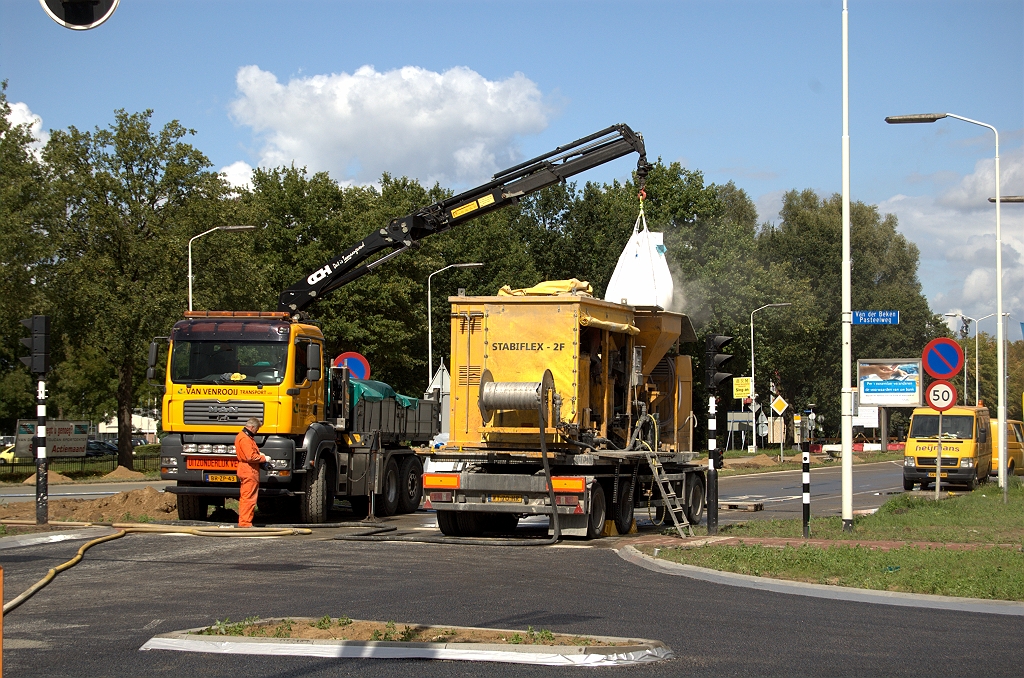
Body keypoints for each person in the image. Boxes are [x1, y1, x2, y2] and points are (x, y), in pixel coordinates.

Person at [235, 417, 270, 528]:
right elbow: (250, 457)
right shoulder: (245, 439)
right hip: (249, 470)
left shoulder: (243, 436)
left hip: (246, 469)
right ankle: (245, 523)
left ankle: (245, 521)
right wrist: (263, 458)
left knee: (247, 496)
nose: (257, 431)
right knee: (249, 498)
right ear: (252, 427)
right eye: (257, 429)